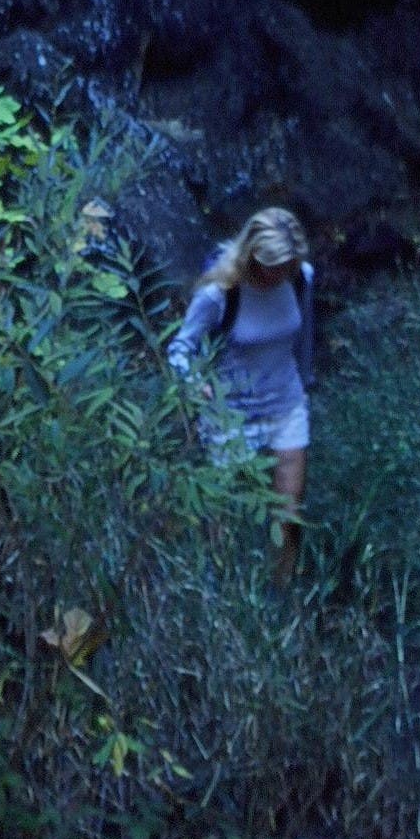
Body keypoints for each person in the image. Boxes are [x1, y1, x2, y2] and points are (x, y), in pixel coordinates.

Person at [168, 206, 315, 577]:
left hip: (286, 407)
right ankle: (222, 587)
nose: (280, 274)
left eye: (287, 266)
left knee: (289, 514)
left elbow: (304, 338)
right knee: (225, 516)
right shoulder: (219, 294)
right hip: (230, 415)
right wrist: (193, 383)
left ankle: (283, 591)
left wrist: (306, 385)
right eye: (272, 266)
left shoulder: (301, 279)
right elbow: (180, 349)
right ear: (252, 255)